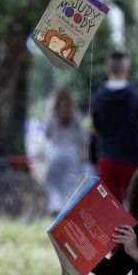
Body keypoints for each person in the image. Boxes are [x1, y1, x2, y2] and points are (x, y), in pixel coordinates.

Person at [91, 51, 138, 203]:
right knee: (134, 203)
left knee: (110, 205)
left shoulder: (98, 96)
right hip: (130, 156)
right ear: (127, 69)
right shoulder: (136, 95)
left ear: (107, 69)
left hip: (107, 156)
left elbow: (96, 127)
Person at [44, 87, 87, 216]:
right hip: (71, 151)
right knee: (70, 183)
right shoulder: (75, 114)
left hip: (55, 151)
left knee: (52, 181)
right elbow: (82, 136)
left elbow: (47, 134)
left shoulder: (51, 115)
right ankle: (67, 210)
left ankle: (55, 205)